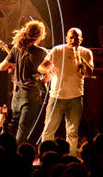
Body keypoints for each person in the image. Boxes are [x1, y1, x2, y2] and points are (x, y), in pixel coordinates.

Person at [38, 28, 94, 157]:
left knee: (72, 132)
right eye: (71, 38)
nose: (73, 41)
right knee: (49, 130)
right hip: (56, 96)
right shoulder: (57, 50)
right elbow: (41, 67)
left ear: (81, 40)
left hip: (76, 97)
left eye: (76, 38)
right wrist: (48, 70)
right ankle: (46, 156)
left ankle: (71, 157)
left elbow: (90, 73)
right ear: (66, 38)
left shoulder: (86, 52)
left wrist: (81, 59)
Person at [0, 20, 48, 144]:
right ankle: (18, 152)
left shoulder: (16, 49)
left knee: (12, 124)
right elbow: (46, 76)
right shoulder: (42, 52)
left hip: (17, 93)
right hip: (31, 93)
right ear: (39, 36)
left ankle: (3, 149)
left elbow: (2, 67)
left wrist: (14, 62)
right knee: (24, 128)